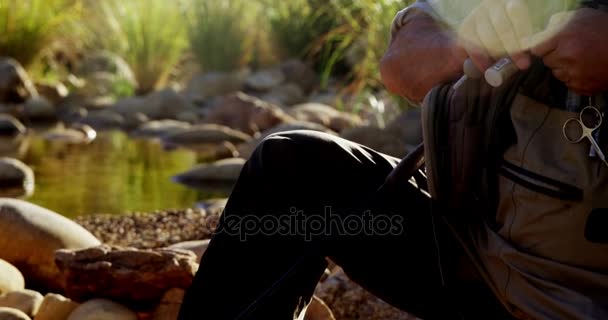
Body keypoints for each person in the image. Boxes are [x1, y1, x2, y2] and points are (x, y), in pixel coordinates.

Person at [178, 1, 608, 319]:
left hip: (580, 299)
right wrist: (467, 44)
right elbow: (402, 66)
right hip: (477, 259)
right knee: (292, 165)